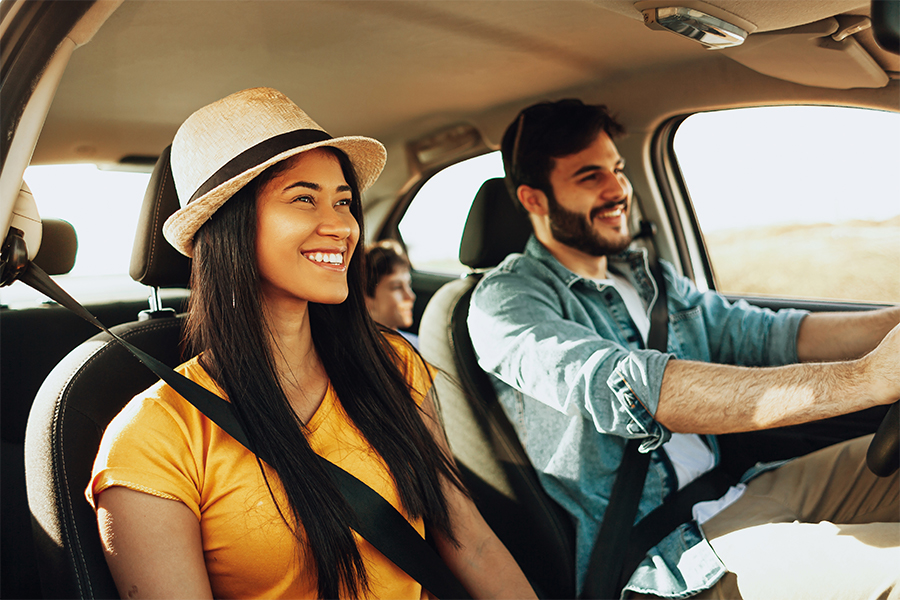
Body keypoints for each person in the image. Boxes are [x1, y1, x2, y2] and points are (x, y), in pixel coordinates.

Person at [86, 87, 536, 600]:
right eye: (304, 198)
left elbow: (469, 541)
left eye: (344, 201)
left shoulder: (394, 366)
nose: (342, 225)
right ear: (227, 227)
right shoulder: (154, 438)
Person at [467, 98, 900, 599]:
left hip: (739, 491)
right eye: (590, 177)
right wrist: (868, 379)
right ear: (534, 199)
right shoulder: (506, 303)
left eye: (618, 169)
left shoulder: (651, 278)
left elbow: (765, 333)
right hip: (669, 555)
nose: (618, 189)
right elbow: (628, 386)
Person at [364, 238, 419, 347]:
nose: (411, 296)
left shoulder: (418, 344)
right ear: (366, 297)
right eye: (396, 287)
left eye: (409, 285)